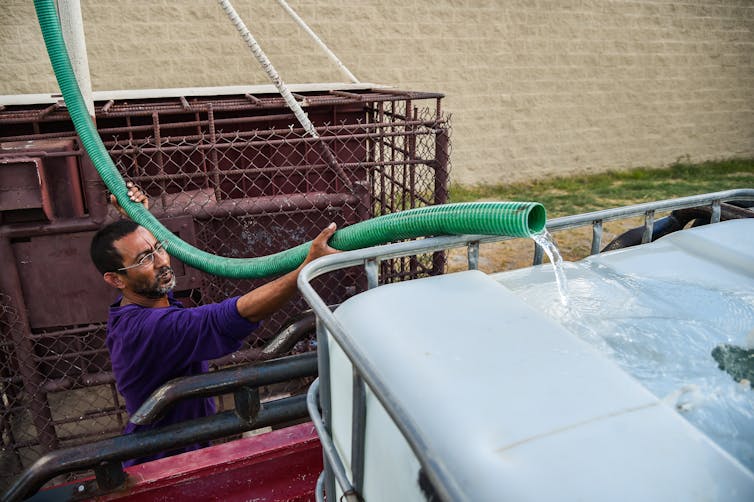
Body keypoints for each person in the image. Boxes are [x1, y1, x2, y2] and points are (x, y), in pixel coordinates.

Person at [90, 183, 337, 466]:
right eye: (145, 258)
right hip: (165, 460)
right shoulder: (147, 328)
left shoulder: (145, 297)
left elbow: (145, 267)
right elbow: (222, 319)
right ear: (115, 280)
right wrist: (306, 270)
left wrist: (139, 220)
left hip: (185, 442)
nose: (162, 262)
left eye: (159, 248)